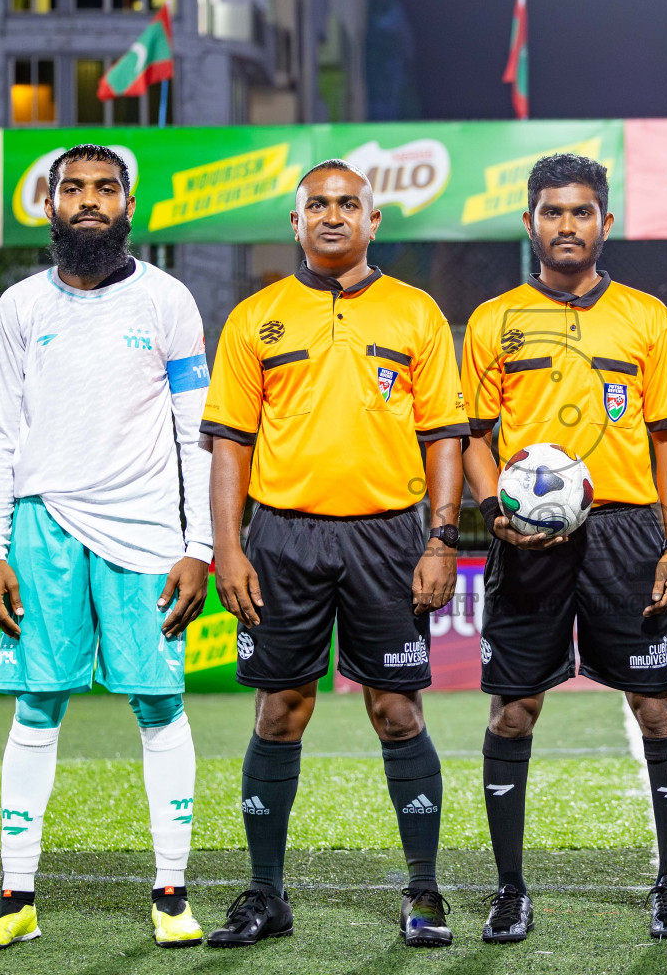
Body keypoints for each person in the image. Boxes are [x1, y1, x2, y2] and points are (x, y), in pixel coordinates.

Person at [201, 160, 467, 949]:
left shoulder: (416, 314)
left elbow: (444, 436)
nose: (331, 215)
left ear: (373, 222)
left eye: (348, 204)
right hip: (282, 538)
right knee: (280, 711)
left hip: (388, 536)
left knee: (395, 710)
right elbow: (228, 448)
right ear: (295, 223)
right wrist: (228, 548)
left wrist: (440, 538)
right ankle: (265, 894)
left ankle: (423, 892)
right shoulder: (256, 318)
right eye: (316, 204)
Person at [0, 144, 212, 951]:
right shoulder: (19, 308)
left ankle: (171, 894)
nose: (89, 201)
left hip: (145, 532)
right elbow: (1, 433)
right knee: (37, 705)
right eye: (73, 189)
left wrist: (199, 545)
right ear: (50, 204)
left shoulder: (169, 301)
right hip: (40, 529)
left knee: (158, 705)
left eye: (105, 189)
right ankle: (16, 897)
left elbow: (195, 437)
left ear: (129, 204)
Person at [462, 154, 667, 942]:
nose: (568, 225)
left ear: (605, 222)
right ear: (529, 222)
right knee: (514, 711)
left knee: (657, 708)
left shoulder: (646, 317)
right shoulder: (494, 321)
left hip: (628, 533)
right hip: (527, 539)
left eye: (583, 211)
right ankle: (509, 888)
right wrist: (494, 507)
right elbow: (470, 436)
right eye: (553, 212)